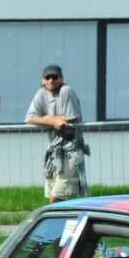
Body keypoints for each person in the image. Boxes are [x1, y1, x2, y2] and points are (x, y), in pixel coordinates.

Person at [26, 64, 89, 203]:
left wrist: (43, 118)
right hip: (54, 151)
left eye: (54, 77)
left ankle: (71, 223)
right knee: (52, 197)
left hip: (70, 150)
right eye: (47, 77)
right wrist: (52, 120)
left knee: (59, 196)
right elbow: (29, 119)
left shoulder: (66, 91)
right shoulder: (41, 93)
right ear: (42, 80)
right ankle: (60, 223)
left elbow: (69, 127)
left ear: (61, 78)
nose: (51, 80)